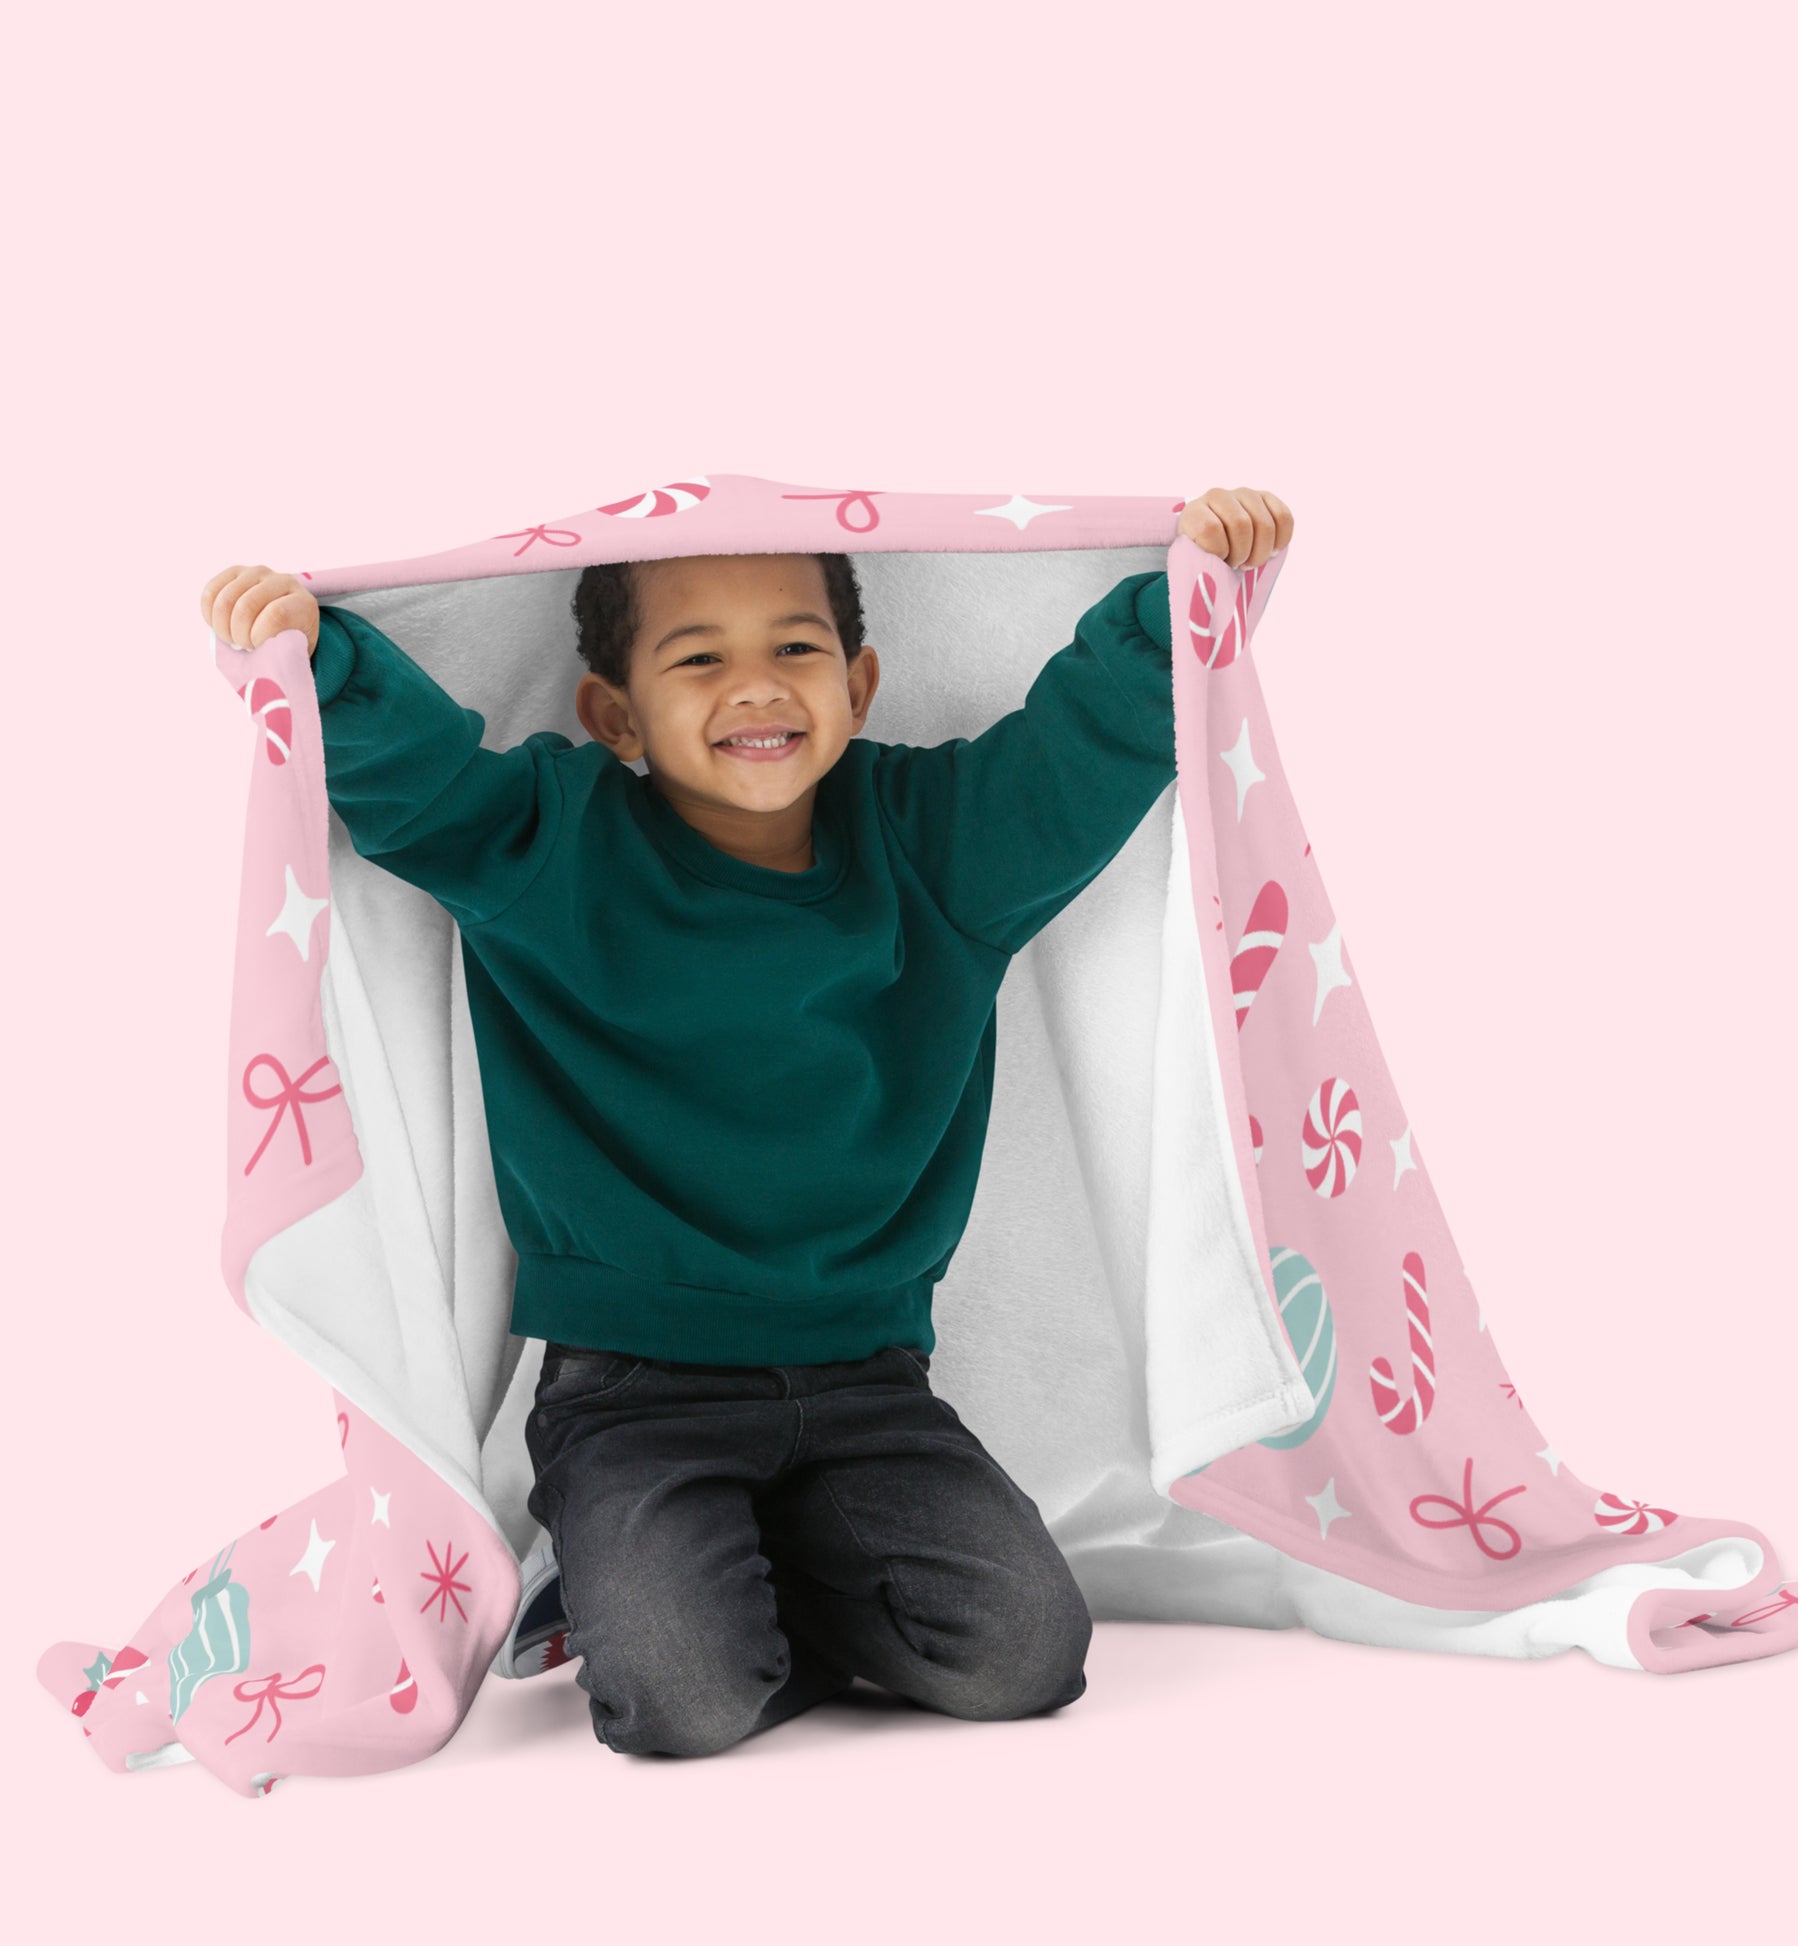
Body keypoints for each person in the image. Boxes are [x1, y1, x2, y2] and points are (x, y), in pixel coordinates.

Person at [200, 485, 1294, 1759]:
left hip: (868, 1382)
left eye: (794, 648)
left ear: (860, 680)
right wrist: (309, 657)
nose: (757, 687)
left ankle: (734, 1570)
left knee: (1023, 1653)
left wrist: (1191, 604)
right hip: (630, 1392)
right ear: (614, 713)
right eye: (698, 658)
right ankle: (634, 1582)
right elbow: (420, 783)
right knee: (685, 1700)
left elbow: (1081, 752)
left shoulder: (932, 844)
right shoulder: (554, 847)